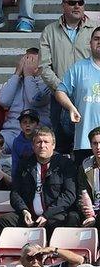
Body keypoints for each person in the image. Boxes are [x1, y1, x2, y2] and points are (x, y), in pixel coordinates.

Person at [40, 0, 96, 156]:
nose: (77, 6)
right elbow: (44, 67)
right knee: (62, 143)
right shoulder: (49, 31)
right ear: (63, 6)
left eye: (80, 3)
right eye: (72, 3)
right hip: (59, 97)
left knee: (90, 143)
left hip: (89, 96)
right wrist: (61, 89)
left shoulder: (96, 31)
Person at [0, 127, 79, 237]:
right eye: (39, 142)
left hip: (54, 215)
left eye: (46, 142)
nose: (42, 145)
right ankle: (20, 253)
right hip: (30, 216)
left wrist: (47, 215)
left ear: (53, 145)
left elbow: (69, 195)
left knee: (56, 222)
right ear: (33, 146)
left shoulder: (65, 164)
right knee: (3, 221)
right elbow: (15, 193)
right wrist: (24, 210)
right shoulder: (24, 164)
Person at [56, 27, 100, 165]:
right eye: (96, 39)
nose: (99, 42)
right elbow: (60, 91)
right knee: (84, 184)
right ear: (90, 42)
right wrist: (71, 107)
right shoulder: (79, 68)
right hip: (84, 141)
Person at [0, 48, 51, 152]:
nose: (27, 65)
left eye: (31, 61)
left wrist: (28, 76)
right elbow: (3, 100)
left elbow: (35, 100)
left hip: (35, 133)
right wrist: (17, 73)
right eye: (25, 61)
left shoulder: (47, 83)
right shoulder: (14, 82)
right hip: (10, 132)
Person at [78, 127, 100, 228]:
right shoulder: (85, 165)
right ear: (90, 145)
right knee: (72, 217)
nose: (98, 147)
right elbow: (81, 192)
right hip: (92, 210)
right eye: (95, 143)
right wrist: (87, 211)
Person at [11, 109, 41, 180]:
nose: (28, 125)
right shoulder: (17, 142)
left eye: (32, 122)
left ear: (37, 125)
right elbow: (15, 164)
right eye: (24, 122)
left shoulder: (41, 140)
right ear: (20, 125)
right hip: (23, 175)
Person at [19, 243, 85, 267]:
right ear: (22, 261)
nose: (35, 261)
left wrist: (53, 249)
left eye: (38, 257)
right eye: (30, 258)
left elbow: (79, 261)